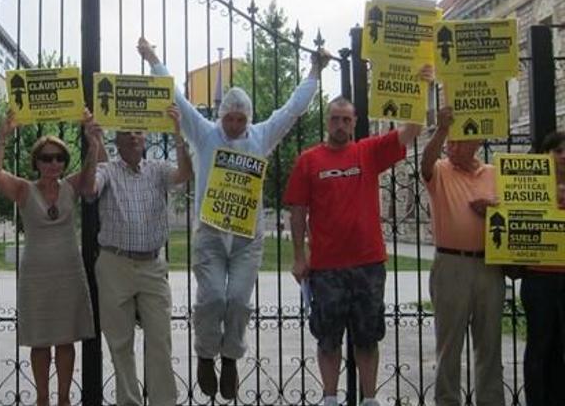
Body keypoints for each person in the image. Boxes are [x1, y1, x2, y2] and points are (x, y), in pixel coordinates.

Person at [137, 37, 329, 399]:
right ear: (220, 115)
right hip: (210, 234)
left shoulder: (261, 136)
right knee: (211, 298)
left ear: (249, 118)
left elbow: (291, 111)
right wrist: (153, 59)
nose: (235, 124)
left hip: (246, 239)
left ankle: (230, 359)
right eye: (229, 118)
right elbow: (176, 96)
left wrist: (315, 72)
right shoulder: (205, 134)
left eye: (241, 119)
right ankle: (205, 355)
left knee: (239, 300)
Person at [284, 65, 432, 406]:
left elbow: (410, 131)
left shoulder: (369, 152)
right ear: (327, 121)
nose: (340, 125)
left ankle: (369, 399)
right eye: (335, 118)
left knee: (367, 337)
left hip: (368, 263)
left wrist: (422, 87)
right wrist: (298, 257)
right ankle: (330, 397)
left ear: (354, 122)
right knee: (328, 339)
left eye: (346, 120)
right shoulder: (309, 161)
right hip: (326, 267)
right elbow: (297, 212)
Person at [0, 110, 101, 406]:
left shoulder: (72, 186)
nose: (53, 163)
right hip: (36, 275)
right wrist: (3, 136)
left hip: (68, 270)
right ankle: (42, 399)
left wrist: (93, 139)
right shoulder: (24, 189)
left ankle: (63, 399)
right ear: (36, 162)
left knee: (66, 339)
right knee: (40, 341)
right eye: (47, 158)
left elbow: (96, 172)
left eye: (59, 158)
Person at [91, 105, 192, 406]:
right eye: (126, 133)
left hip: (152, 264)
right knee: (120, 344)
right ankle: (129, 402)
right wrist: (93, 145)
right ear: (117, 141)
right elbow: (89, 189)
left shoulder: (158, 170)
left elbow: (184, 174)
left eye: (138, 132)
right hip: (115, 263)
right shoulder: (106, 169)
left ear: (146, 138)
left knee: (160, 341)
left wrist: (178, 134)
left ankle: (163, 402)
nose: (134, 137)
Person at [420, 106, 503, 406]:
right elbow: (425, 163)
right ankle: (447, 401)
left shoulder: (495, 174)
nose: (452, 147)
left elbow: (512, 213)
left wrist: (494, 208)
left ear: (477, 142)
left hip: (489, 265)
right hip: (451, 264)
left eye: (459, 141)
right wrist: (441, 129)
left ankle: (491, 401)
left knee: (490, 342)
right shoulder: (441, 170)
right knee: (449, 344)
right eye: (449, 142)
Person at [520, 130, 565, 406]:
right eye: (557, 151)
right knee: (540, 342)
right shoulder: (529, 188)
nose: (563, 156)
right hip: (539, 277)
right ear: (545, 156)